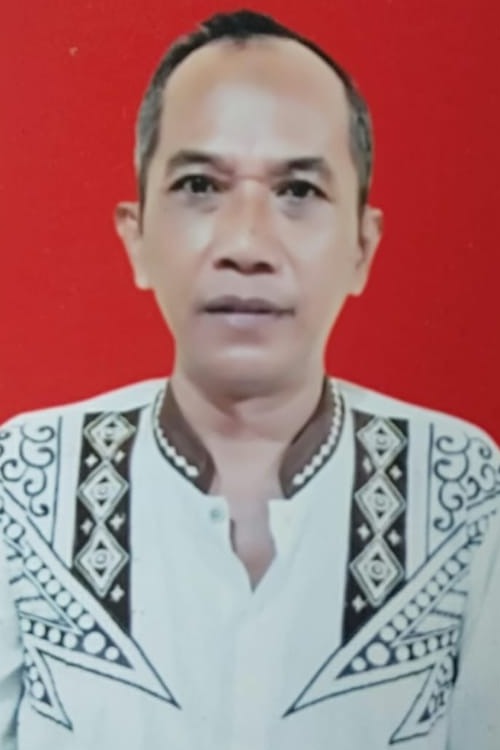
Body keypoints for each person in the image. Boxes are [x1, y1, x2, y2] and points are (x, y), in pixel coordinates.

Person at [0, 8, 498, 750]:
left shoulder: (465, 491)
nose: (246, 242)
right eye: (200, 184)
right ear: (136, 238)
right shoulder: (22, 482)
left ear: (362, 247)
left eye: (298, 191)